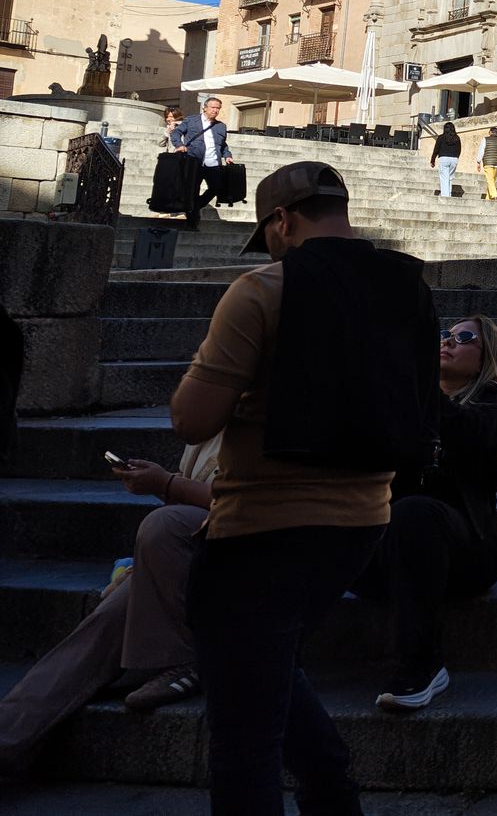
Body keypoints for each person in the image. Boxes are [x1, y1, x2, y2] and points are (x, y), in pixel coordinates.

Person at [170, 161, 437, 816]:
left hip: (261, 529)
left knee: (243, 741)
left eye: (269, 233)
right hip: (364, 523)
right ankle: (335, 796)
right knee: (265, 672)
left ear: (283, 222)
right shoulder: (409, 288)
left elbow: (192, 419)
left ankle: (335, 795)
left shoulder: (262, 290)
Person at [0, 442, 220, 775]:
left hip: (243, 568)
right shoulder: (207, 431)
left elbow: (252, 508)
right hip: (190, 563)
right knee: (91, 639)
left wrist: (168, 484)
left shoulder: (258, 412)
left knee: (164, 525)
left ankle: (186, 657)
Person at [354, 314, 497, 712]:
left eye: (463, 338)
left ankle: (421, 663)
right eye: (443, 335)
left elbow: (466, 432)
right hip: (390, 552)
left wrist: (418, 387)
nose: (447, 342)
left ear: (484, 358)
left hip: (468, 551)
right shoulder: (404, 406)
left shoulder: (493, 408)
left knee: (415, 514)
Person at [178, 97, 235, 227]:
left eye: (218, 108)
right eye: (212, 107)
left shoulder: (221, 126)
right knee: (193, 190)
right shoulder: (191, 121)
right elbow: (176, 132)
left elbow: (223, 145)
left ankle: (195, 206)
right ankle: (192, 220)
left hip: (213, 163)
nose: (215, 110)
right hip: (194, 161)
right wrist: (179, 145)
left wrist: (227, 155)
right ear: (205, 107)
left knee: (217, 187)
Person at [431, 121, 460, 198]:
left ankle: (445, 196)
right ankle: (449, 194)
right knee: (450, 177)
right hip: (454, 159)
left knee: (444, 178)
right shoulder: (457, 138)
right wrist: (456, 158)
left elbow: (436, 149)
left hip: (443, 158)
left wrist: (432, 160)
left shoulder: (441, 137)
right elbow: (459, 149)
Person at [477, 128, 497, 201]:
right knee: (492, 180)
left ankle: (494, 195)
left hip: (488, 163)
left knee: (490, 180)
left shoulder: (485, 139)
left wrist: (478, 161)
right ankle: (488, 198)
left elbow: (481, 151)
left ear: (490, 132)